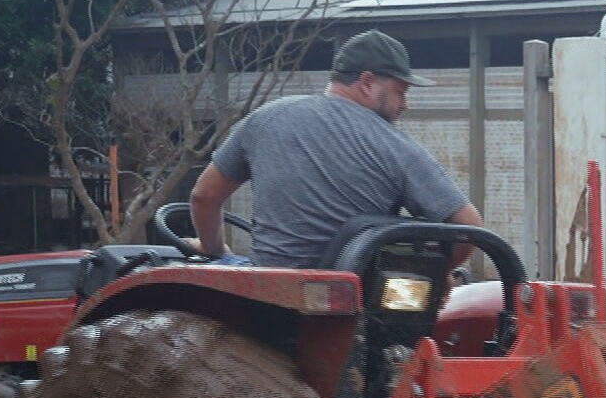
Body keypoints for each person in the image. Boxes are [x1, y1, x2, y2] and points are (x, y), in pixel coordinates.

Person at [188, 29, 482, 269]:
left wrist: (214, 250)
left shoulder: (266, 117)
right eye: (400, 92)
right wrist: (438, 274)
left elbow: (204, 197)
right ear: (367, 82)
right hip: (354, 303)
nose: (405, 104)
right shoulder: (396, 146)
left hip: (266, 295)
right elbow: (469, 226)